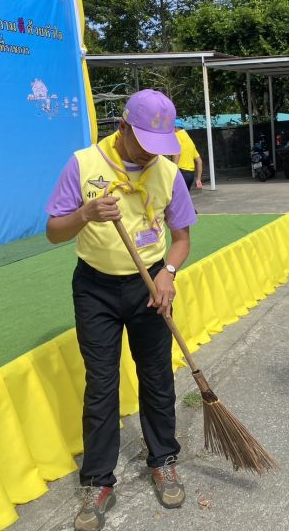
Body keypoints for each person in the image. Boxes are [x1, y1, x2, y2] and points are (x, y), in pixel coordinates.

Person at [46, 89, 197, 531]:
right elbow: (55, 232)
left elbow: (182, 238)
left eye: (160, 148)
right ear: (123, 128)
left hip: (150, 284)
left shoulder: (168, 173)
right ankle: (98, 481)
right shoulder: (83, 163)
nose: (153, 157)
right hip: (95, 288)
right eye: (146, 145)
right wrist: (86, 214)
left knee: (156, 376)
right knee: (101, 383)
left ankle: (163, 459)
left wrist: (168, 272)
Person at [172, 122, 203, 190]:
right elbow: (199, 161)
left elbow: (178, 151)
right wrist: (198, 179)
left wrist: (173, 170)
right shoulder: (189, 141)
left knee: (175, 198)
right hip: (190, 175)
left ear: (175, 127)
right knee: (184, 199)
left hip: (181, 173)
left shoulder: (176, 135)